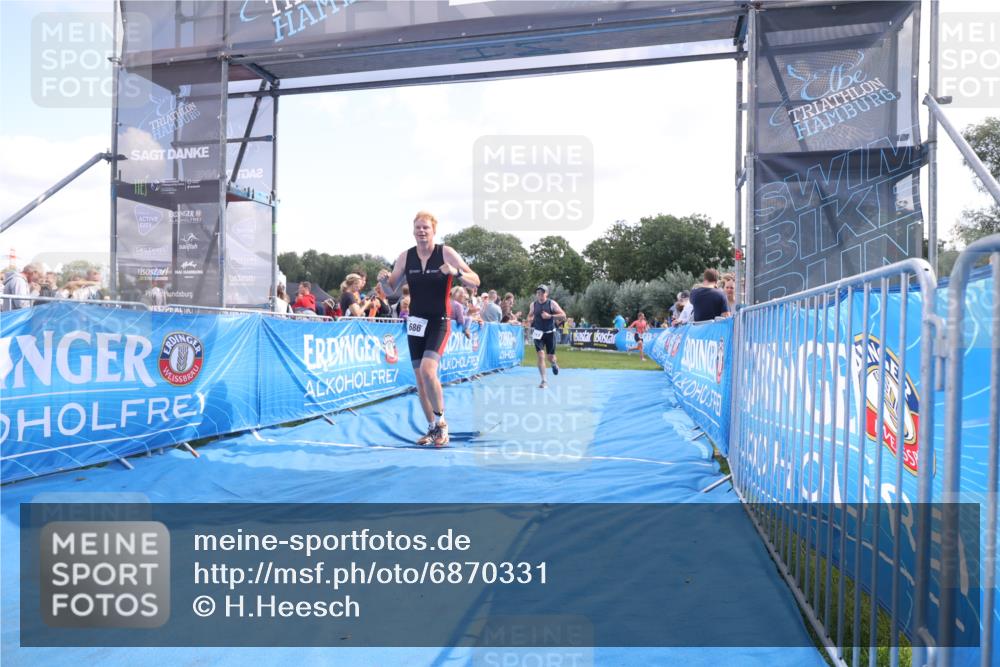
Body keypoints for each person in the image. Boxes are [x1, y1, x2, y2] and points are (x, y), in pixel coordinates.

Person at [380, 211, 480, 447]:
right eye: (418, 228)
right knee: (419, 379)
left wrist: (455, 272)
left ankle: (442, 423)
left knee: (428, 370)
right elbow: (391, 290)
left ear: (434, 231)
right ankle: (433, 428)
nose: (422, 231)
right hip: (415, 321)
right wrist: (384, 279)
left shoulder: (445, 252)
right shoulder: (406, 257)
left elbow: (475, 280)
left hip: (439, 320)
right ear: (413, 231)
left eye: (426, 228)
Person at [528, 284, 566, 389]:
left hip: (550, 333)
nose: (540, 294)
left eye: (542, 292)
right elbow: (530, 315)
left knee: (550, 357)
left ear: (546, 293)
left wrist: (550, 316)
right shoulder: (533, 305)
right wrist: (530, 319)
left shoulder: (552, 303)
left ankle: (554, 363)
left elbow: (563, 315)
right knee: (540, 356)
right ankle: (544, 380)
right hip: (538, 333)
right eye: (538, 292)